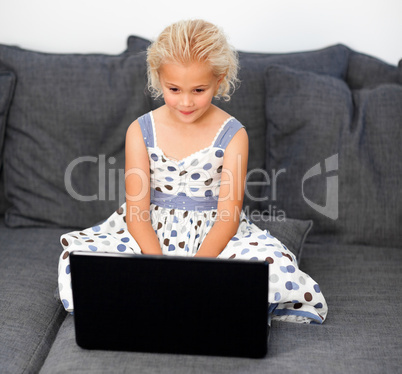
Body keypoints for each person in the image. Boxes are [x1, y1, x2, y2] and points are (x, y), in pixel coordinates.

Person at [58, 19, 328, 324]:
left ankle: (190, 299)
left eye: (199, 90)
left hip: (214, 235)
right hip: (149, 233)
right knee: (82, 258)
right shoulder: (141, 130)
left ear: (219, 80)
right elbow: (137, 213)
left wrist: (195, 273)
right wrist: (159, 270)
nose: (185, 102)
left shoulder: (233, 134)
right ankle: (170, 297)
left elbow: (228, 216)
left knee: (270, 266)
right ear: (158, 79)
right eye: (174, 89)